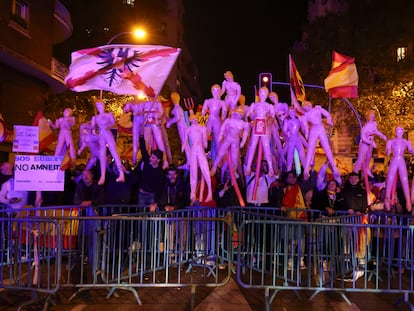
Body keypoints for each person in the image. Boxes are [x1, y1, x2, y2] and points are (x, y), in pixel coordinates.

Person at [299, 100, 340, 180]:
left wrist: (329, 121)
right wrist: (306, 133)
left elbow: (327, 114)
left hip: (320, 128)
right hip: (313, 129)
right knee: (310, 149)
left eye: (308, 105)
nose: (308, 107)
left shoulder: (317, 109)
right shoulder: (306, 115)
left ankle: (334, 168)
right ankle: (306, 169)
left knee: (327, 148)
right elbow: (305, 126)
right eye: (305, 106)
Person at [90, 101, 125, 185]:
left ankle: (121, 173)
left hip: (108, 133)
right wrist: (92, 125)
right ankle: (103, 176)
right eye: (98, 105)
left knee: (114, 152)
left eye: (101, 105)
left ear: (103, 106)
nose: (99, 107)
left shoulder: (108, 114)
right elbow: (92, 127)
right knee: (102, 155)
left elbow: (113, 123)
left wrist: (108, 126)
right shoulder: (95, 117)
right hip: (101, 135)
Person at [244, 86, 276, 177]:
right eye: (261, 93)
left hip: (263, 125)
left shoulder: (269, 106)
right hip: (257, 124)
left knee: (266, 146)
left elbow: (273, 116)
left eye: (264, 93)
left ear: (266, 95)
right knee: (252, 145)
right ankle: (248, 167)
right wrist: (251, 120)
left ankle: (270, 168)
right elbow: (248, 114)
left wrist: (268, 118)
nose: (262, 95)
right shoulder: (254, 105)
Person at [210, 106, 250, 177]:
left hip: (235, 141)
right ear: (234, 113)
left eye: (240, 115)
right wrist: (220, 136)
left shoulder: (243, 124)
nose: (239, 116)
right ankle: (215, 166)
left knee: (234, 157)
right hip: (228, 139)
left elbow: (245, 133)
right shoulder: (229, 121)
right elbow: (222, 129)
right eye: (237, 114)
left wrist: (243, 141)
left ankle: (234, 171)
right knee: (221, 152)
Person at [181, 114, 212, 203]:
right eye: (192, 120)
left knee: (205, 169)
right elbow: (185, 140)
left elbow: (205, 141)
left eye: (194, 119)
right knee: (193, 171)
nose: (193, 121)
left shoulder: (202, 128)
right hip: (194, 150)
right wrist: (183, 146)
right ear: (190, 121)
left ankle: (209, 191)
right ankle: (193, 192)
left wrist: (205, 143)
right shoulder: (188, 129)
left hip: (200, 150)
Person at [384, 125, 414, 212]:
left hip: (401, 159)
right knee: (390, 178)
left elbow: (411, 150)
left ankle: (408, 201)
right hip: (394, 159)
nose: (400, 131)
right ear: (395, 131)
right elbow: (388, 150)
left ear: (403, 131)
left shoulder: (407, 142)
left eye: (401, 129)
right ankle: (387, 198)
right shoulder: (391, 141)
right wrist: (388, 150)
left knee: (404, 179)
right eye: (398, 129)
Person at [353, 110, 387, 178]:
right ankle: (355, 171)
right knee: (360, 159)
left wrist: (382, 135)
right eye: (371, 115)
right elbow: (363, 138)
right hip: (364, 144)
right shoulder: (365, 128)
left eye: (373, 115)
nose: (372, 116)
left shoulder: (374, 124)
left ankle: (367, 169)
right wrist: (371, 142)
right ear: (368, 117)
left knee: (369, 157)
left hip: (370, 144)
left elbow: (375, 131)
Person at [136, 135, 165, 208]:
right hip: (142, 193)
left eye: (153, 158)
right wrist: (142, 136)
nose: (150, 159)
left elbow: (160, 187)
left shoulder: (160, 172)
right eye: (151, 157)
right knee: (140, 214)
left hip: (151, 194)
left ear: (158, 160)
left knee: (151, 215)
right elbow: (143, 150)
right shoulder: (146, 162)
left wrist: (156, 202)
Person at [141, 98, 170, 168]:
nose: (149, 97)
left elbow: (161, 112)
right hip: (147, 123)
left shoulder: (157, 103)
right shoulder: (144, 103)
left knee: (160, 141)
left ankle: (165, 161)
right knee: (146, 142)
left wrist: (157, 116)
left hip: (154, 123)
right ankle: (145, 160)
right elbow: (139, 111)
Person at [201, 84, 228, 158]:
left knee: (218, 139)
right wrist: (201, 123)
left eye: (217, 90)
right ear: (211, 91)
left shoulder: (221, 102)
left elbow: (224, 111)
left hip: (216, 120)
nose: (215, 92)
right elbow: (203, 111)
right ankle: (201, 155)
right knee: (204, 136)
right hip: (209, 120)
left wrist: (223, 117)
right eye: (214, 90)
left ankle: (219, 159)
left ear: (219, 92)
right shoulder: (208, 101)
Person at [166, 92, 190, 164]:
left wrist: (169, 123)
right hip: (181, 127)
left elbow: (177, 118)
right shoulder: (177, 107)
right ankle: (189, 161)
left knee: (185, 145)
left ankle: (189, 162)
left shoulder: (177, 108)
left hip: (182, 127)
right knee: (185, 144)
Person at [283, 106, 307, 173]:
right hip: (291, 139)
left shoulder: (298, 120)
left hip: (297, 138)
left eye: (293, 111)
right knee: (290, 155)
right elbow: (284, 129)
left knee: (302, 154)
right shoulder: (287, 121)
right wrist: (287, 133)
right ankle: (288, 170)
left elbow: (303, 129)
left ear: (295, 112)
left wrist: (302, 121)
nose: (291, 113)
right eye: (290, 112)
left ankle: (306, 170)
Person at [123, 99, 144, 165]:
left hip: (142, 120)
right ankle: (134, 157)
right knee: (135, 138)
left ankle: (143, 156)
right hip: (136, 120)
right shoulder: (131, 103)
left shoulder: (143, 102)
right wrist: (127, 107)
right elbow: (125, 110)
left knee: (144, 138)